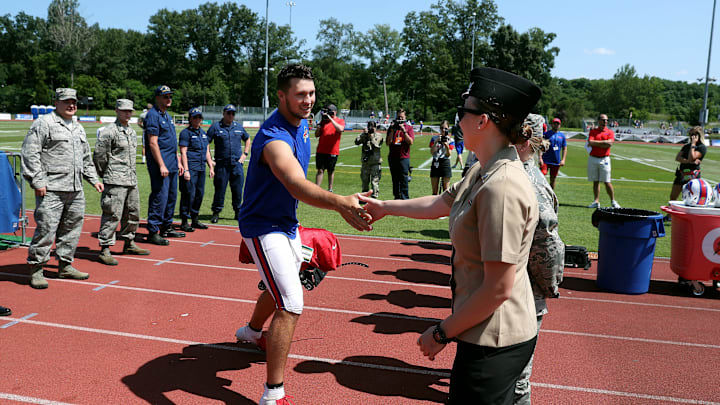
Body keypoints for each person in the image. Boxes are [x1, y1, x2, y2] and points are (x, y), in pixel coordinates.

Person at [361, 67, 542, 404]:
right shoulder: (483, 169)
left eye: (464, 112)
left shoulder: (501, 186)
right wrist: (385, 206)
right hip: (483, 331)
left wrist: (442, 333)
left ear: (483, 121)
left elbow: (498, 288)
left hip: (495, 339)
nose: (458, 120)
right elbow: (441, 202)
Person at [234, 64, 372, 405]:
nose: (308, 100)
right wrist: (340, 202)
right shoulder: (273, 137)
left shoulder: (304, 124)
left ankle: (251, 332)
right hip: (262, 226)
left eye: (311, 93)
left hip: (285, 223)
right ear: (281, 96)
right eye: (300, 94)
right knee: (292, 302)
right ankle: (273, 394)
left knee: (283, 283)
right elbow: (295, 184)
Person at [21, 88, 104, 289]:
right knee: (47, 230)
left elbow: (85, 158)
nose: (71, 105)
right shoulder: (44, 123)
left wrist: (94, 179)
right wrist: (38, 181)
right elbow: (30, 153)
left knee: (72, 229)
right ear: (56, 103)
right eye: (66, 101)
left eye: (74, 102)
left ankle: (65, 265)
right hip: (52, 189)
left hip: (75, 189)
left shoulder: (78, 127)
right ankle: (37, 268)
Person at [512, 114, 565, 405]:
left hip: (521, 292)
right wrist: (551, 284)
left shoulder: (522, 177)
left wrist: (547, 284)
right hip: (519, 292)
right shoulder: (525, 174)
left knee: (517, 378)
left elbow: (546, 240)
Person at [94, 99, 151, 266]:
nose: (128, 113)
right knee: (112, 214)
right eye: (124, 110)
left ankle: (129, 242)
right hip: (115, 179)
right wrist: (106, 173)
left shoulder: (132, 132)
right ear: (117, 111)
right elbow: (99, 156)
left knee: (133, 212)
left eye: (130, 111)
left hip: (131, 179)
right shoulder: (109, 132)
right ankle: (105, 248)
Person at [144, 85, 185, 245]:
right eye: (165, 96)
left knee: (171, 196)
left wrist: (178, 161)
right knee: (160, 196)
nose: (169, 99)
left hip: (172, 163)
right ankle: (153, 230)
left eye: (170, 96)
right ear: (158, 98)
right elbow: (153, 143)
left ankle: (166, 226)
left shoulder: (166, 115)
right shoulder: (153, 115)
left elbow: (170, 142)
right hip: (161, 164)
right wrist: (161, 165)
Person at [207, 104, 251, 223]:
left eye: (233, 113)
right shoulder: (215, 127)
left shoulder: (238, 127)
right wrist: (210, 160)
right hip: (222, 164)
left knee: (237, 190)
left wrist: (245, 154)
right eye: (229, 113)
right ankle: (216, 212)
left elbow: (247, 138)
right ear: (224, 113)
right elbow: (206, 142)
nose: (231, 115)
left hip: (236, 164)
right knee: (220, 190)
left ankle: (238, 212)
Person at [179, 107, 215, 231]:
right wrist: (186, 170)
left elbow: (207, 152)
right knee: (189, 194)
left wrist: (211, 167)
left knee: (199, 194)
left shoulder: (203, 133)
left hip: (200, 168)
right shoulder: (186, 133)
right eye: (195, 117)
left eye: (199, 117)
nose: (198, 119)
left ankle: (195, 219)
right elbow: (183, 152)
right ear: (190, 119)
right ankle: (184, 221)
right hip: (191, 168)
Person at [666, 126, 707, 219]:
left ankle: (687, 217)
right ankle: (669, 216)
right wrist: (688, 161)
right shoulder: (686, 146)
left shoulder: (701, 147)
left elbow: (692, 157)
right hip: (681, 173)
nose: (691, 136)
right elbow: (678, 158)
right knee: (673, 196)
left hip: (692, 175)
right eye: (690, 134)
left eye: (693, 134)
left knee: (690, 198)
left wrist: (693, 145)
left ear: (698, 135)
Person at [587, 113, 620, 208]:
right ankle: (596, 201)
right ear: (599, 121)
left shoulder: (610, 132)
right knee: (595, 181)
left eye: (606, 120)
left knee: (607, 181)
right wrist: (604, 142)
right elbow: (590, 142)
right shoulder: (593, 131)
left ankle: (613, 201)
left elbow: (609, 144)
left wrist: (597, 143)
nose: (605, 122)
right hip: (593, 158)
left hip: (604, 159)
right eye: (603, 120)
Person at [314, 103, 345, 193]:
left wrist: (331, 119)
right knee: (320, 170)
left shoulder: (339, 121)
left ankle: (330, 189)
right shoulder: (323, 122)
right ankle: (317, 189)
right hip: (321, 150)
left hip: (332, 151)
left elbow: (340, 129)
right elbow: (316, 135)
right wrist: (319, 127)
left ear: (334, 112)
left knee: (330, 171)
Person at [386, 108, 415, 199]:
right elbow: (388, 143)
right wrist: (392, 131)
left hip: (404, 157)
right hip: (393, 157)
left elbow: (410, 142)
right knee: (395, 179)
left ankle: (405, 197)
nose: (400, 119)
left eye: (402, 117)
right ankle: (396, 196)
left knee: (404, 179)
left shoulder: (408, 128)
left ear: (405, 117)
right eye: (399, 117)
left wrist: (404, 131)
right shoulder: (392, 128)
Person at [354, 120, 383, 198]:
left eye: (372, 126)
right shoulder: (364, 135)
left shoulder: (379, 136)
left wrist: (371, 136)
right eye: (369, 126)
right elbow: (356, 142)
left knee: (375, 181)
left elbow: (376, 146)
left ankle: (374, 196)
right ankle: (364, 197)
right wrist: (363, 134)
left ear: (375, 127)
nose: (371, 128)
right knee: (364, 181)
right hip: (365, 162)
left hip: (375, 162)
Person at [540, 117, 567, 189]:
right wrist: (540, 158)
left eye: (557, 123)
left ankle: (551, 197)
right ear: (552, 124)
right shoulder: (546, 134)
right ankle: (541, 194)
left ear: (560, 125)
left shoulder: (562, 136)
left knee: (553, 179)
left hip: (556, 161)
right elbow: (540, 146)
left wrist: (563, 159)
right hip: (545, 160)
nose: (556, 125)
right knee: (542, 176)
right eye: (554, 123)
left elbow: (564, 148)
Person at [429, 120, 454, 195]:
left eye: (445, 128)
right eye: (442, 128)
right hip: (436, 161)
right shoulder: (434, 138)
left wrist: (446, 146)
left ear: (448, 129)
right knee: (434, 190)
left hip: (445, 162)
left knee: (446, 190)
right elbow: (432, 152)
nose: (443, 130)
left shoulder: (450, 140)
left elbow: (448, 154)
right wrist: (436, 142)